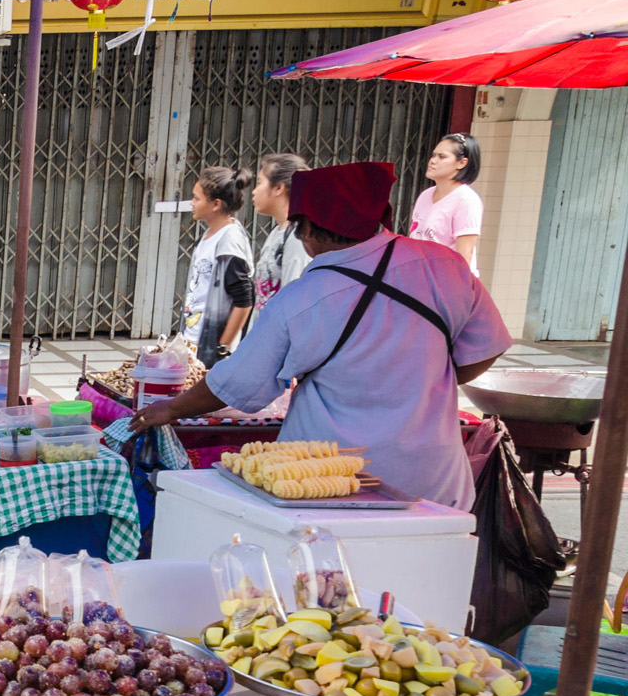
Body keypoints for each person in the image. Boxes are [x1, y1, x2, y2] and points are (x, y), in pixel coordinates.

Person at [135, 160, 512, 510]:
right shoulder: (444, 265)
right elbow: (487, 347)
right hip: (433, 479)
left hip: (331, 481)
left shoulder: (301, 300)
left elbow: (240, 385)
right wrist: (428, 377)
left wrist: (169, 408)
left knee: (331, 580)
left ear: (309, 228)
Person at [181, 166, 255, 366]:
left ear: (216, 204)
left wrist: (222, 347)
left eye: (196, 198)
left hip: (211, 349)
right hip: (194, 340)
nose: (191, 203)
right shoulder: (208, 236)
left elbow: (244, 300)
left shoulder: (229, 242)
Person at [410, 132, 484, 272]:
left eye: (442, 157)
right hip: (419, 278)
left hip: (446, 282)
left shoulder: (466, 201)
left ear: (461, 163)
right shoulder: (425, 195)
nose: (433, 161)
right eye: (433, 155)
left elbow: (465, 255)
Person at [251, 152, 311, 314]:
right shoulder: (277, 232)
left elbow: (293, 306)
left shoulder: (297, 238)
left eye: (259, 183)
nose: (254, 191)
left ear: (278, 188)